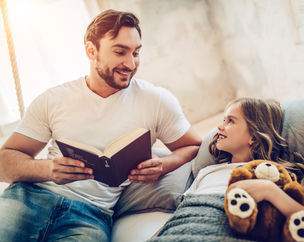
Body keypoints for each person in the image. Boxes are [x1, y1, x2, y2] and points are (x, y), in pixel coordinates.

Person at [0, 9, 201, 241]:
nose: (130, 63)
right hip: (31, 197)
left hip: (90, 215)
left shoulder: (156, 101)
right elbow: (4, 162)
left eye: (136, 52)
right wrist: (48, 169)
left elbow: (194, 145)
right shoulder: (54, 99)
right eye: (120, 52)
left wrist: (165, 164)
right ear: (91, 50)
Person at [149, 97, 304, 242]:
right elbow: (182, 213)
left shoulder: (270, 174)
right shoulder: (207, 172)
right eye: (223, 120)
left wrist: (268, 190)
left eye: (230, 121)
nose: (220, 126)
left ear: (254, 138)